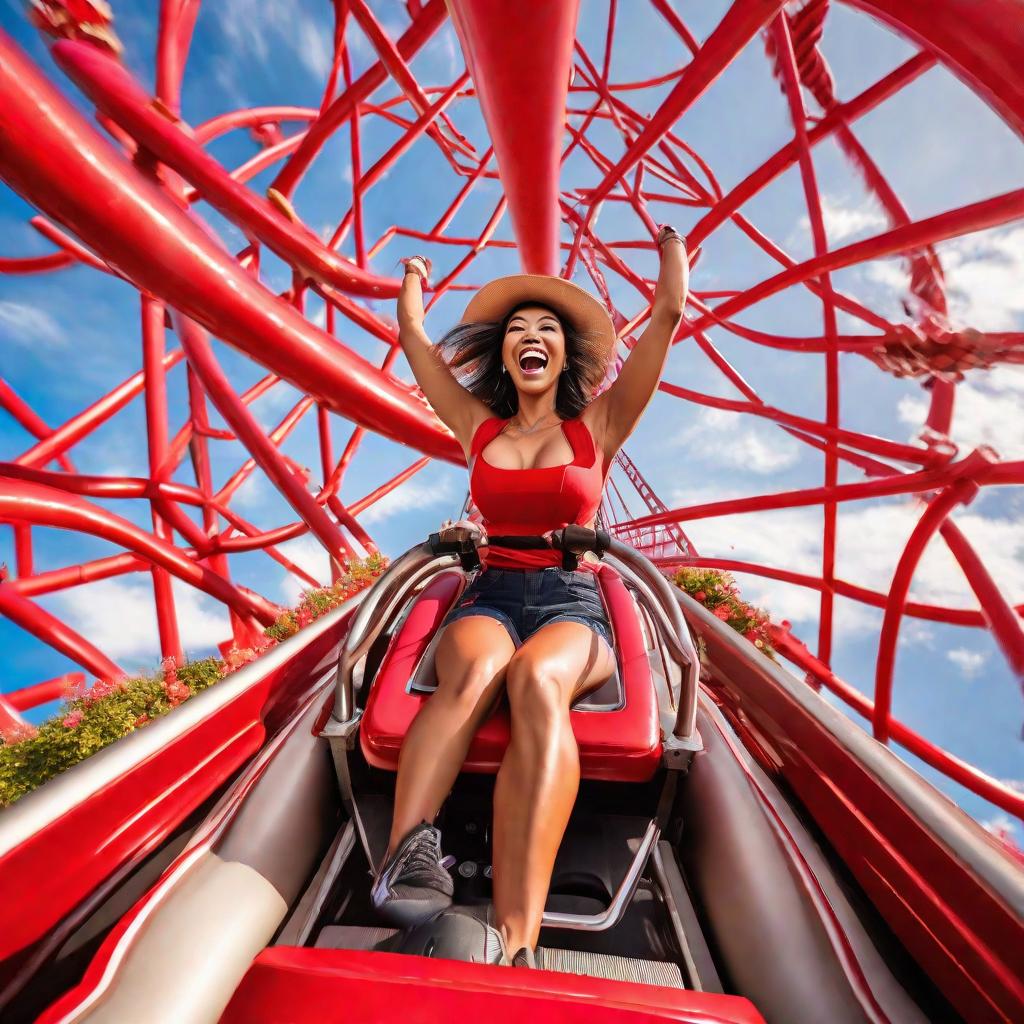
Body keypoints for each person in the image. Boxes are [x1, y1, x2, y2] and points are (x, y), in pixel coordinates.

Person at [371, 226, 689, 966]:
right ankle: (407, 857)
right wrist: (414, 283)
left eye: (547, 328)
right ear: (505, 355)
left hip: (572, 599)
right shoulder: (477, 428)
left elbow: (667, 317)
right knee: (477, 671)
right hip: (490, 591)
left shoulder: (598, 427)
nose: (532, 336)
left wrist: (670, 257)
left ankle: (517, 933)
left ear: (564, 356)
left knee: (537, 681)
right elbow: (417, 344)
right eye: (518, 329)